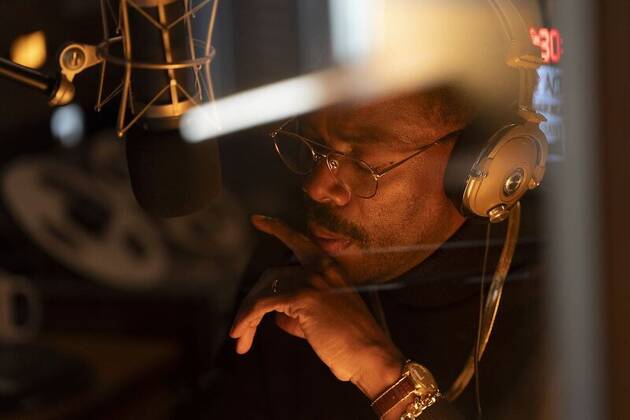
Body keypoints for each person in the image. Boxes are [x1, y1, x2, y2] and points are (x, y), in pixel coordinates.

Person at [202, 84, 547, 419]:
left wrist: (382, 376)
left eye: (361, 161)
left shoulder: (560, 312)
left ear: (478, 163)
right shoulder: (291, 270)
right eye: (317, 145)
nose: (316, 187)